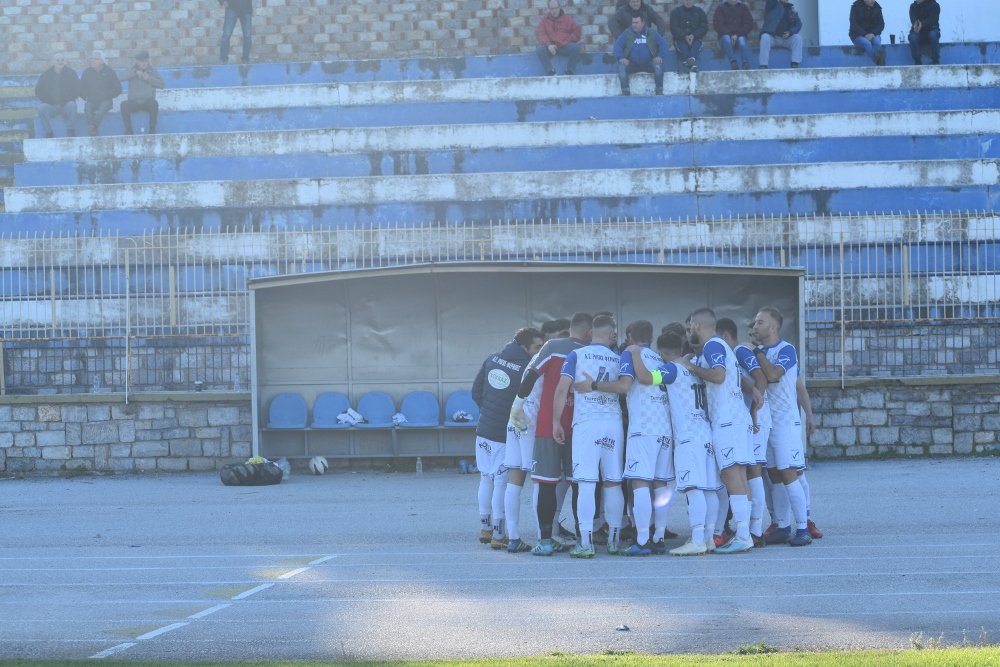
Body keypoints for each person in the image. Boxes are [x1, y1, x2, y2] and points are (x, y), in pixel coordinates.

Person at [574, 320, 675, 556]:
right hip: (664, 428)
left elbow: (625, 385)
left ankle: (641, 540)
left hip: (643, 428)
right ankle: (658, 537)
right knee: (660, 483)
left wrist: (594, 385)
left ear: (630, 336)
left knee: (639, 482)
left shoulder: (630, 354)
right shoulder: (659, 358)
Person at [630, 332, 722, 556]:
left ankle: (698, 539)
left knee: (693, 487)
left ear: (661, 353)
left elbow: (645, 378)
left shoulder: (672, 369)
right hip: (705, 432)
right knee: (709, 488)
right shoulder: (693, 369)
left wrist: (634, 353)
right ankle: (709, 538)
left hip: (688, 436)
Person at [510, 312, 593, 556]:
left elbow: (532, 375)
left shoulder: (554, 347)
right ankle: (582, 541)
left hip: (548, 424)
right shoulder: (593, 352)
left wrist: (517, 405)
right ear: (588, 332)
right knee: (580, 485)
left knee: (545, 483)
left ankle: (545, 541)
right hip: (580, 426)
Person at [680, 309, 756, 554]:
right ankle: (744, 532)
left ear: (698, 324)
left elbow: (719, 376)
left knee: (732, 476)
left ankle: (744, 535)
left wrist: (691, 368)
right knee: (740, 476)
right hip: (737, 418)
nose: (689, 330)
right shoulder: (720, 347)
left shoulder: (713, 345)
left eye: (691, 325)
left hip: (727, 422)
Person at [551, 315, 625, 558]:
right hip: (613, 423)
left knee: (585, 483)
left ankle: (586, 543)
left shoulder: (578, 355)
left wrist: (555, 422)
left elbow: (562, 389)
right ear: (611, 333)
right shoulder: (617, 358)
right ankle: (614, 541)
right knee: (613, 482)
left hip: (587, 424)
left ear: (592, 332)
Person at [471, 327, 544, 549]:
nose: (539, 351)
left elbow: (476, 392)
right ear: (524, 347)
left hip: (483, 428)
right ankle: (499, 534)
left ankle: (485, 527)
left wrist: (488, 412)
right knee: (501, 482)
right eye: (536, 347)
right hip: (503, 432)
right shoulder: (526, 368)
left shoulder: (492, 359)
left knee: (486, 478)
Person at [501, 320, 570, 554]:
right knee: (545, 479)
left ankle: (513, 536)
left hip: (516, 415)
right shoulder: (555, 355)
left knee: (515, 477)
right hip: (531, 419)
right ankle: (547, 536)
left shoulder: (538, 356)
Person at [750, 306, 812, 547]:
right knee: (774, 474)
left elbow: (774, 375)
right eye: (755, 323)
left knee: (789, 473)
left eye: (759, 322)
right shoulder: (761, 351)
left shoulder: (787, 350)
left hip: (786, 422)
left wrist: (758, 354)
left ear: (773, 327)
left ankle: (803, 527)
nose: (754, 327)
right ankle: (782, 525)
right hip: (769, 422)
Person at [718, 318, 769, 547]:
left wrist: (754, 411)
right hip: (748, 415)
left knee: (752, 472)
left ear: (726, 336)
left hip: (752, 415)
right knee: (747, 473)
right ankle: (747, 529)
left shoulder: (738, 350)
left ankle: (754, 529)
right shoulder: (734, 353)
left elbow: (760, 378)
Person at [613, 14, 669, 96]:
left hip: (648, 63)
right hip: (632, 64)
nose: (634, 25)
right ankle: (625, 92)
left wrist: (660, 56)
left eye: (636, 22)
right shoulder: (627, 33)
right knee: (621, 67)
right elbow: (617, 45)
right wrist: (621, 58)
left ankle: (659, 91)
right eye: (633, 22)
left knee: (658, 66)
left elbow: (663, 44)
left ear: (643, 23)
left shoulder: (651, 33)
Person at [35, 53, 80, 138]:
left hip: (65, 105)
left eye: (62, 60)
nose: (60, 62)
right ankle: (48, 132)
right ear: (53, 62)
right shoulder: (46, 75)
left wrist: (68, 100)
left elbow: (77, 88)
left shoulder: (71, 73)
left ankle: (70, 130)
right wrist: (48, 102)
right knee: (41, 108)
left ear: (65, 61)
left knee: (72, 105)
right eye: (57, 60)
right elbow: (38, 90)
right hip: (52, 106)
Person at [119, 51, 164, 135]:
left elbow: (162, 84)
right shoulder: (131, 70)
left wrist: (148, 78)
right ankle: (129, 130)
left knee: (154, 104)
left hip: (147, 101)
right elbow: (119, 78)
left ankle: (152, 129)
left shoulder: (152, 71)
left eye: (145, 61)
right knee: (124, 105)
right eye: (141, 61)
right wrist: (134, 73)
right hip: (134, 102)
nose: (144, 63)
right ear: (137, 62)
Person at [79, 51, 122, 137]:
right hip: (91, 100)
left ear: (102, 61)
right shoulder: (87, 72)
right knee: (87, 108)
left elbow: (118, 89)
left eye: (96, 59)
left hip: (106, 101)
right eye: (92, 58)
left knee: (102, 108)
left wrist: (107, 95)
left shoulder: (110, 72)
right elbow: (81, 87)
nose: (93, 60)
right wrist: (85, 97)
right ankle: (93, 128)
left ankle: (92, 126)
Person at [535, 0, 583, 76]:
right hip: (551, 49)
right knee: (539, 50)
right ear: (549, 9)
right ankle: (550, 71)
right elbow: (540, 34)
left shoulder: (568, 19)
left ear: (560, 7)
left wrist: (565, 41)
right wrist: (549, 45)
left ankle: (569, 72)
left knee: (576, 48)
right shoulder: (544, 20)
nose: (554, 10)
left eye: (556, 8)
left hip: (564, 47)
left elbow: (577, 33)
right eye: (551, 8)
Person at [759, 0, 803, 69]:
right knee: (764, 37)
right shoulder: (772, 5)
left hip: (786, 39)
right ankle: (763, 65)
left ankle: (795, 63)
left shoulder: (791, 8)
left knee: (797, 38)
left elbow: (798, 24)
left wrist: (790, 32)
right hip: (773, 38)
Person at [713, 0, 755, 70]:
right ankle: (733, 62)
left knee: (742, 42)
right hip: (725, 36)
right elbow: (718, 24)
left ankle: (745, 63)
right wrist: (730, 35)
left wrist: (737, 35)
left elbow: (748, 24)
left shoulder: (743, 7)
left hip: (740, 35)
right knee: (727, 39)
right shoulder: (720, 7)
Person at [669, 0, 708, 73]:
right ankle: (692, 65)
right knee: (682, 47)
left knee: (696, 45)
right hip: (680, 39)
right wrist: (684, 36)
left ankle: (689, 63)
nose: (688, 1)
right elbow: (673, 27)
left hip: (696, 39)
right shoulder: (676, 12)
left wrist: (694, 35)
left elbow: (704, 27)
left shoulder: (700, 12)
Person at [849, 0, 885, 66]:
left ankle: (877, 63)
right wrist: (864, 34)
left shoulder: (877, 8)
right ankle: (878, 64)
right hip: (857, 35)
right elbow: (854, 24)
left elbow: (881, 24)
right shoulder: (855, 7)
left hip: (873, 34)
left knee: (877, 42)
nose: (873, 1)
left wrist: (873, 33)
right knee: (867, 44)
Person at [219, 0, 253, 64]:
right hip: (232, 8)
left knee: (248, 36)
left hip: (246, 8)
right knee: (226, 34)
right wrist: (222, 1)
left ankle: (245, 60)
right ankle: (223, 60)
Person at [908, 0, 941, 65]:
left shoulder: (935, 5)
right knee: (912, 37)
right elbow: (913, 19)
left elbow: (932, 19)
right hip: (919, 32)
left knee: (933, 35)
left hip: (931, 29)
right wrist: (916, 25)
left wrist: (922, 24)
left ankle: (935, 60)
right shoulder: (913, 7)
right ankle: (917, 61)